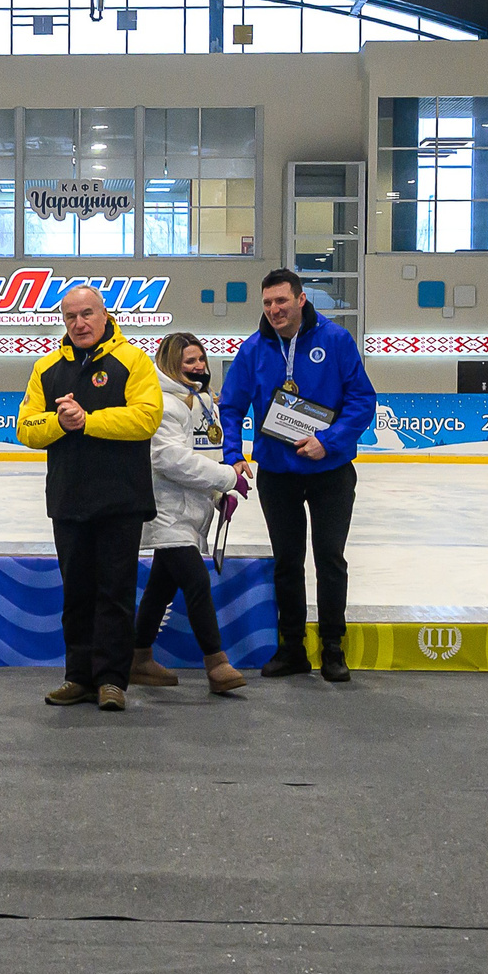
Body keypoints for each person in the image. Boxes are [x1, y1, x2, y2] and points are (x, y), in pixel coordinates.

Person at [219, 267, 379, 683]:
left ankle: (332, 648)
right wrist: (233, 454)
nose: (274, 309)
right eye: (268, 303)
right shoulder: (253, 350)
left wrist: (330, 440)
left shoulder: (336, 340)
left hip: (330, 471)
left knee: (330, 560)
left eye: (282, 301)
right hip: (277, 474)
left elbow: (363, 400)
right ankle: (292, 648)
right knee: (287, 563)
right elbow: (231, 407)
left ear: (301, 299)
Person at [18, 283, 162, 710]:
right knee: (76, 591)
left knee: (115, 592)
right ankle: (78, 676)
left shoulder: (132, 360)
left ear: (104, 314)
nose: (79, 324)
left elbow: (146, 418)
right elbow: (26, 429)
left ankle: (113, 680)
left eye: (86, 314)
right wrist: (60, 423)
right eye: (70, 317)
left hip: (121, 499)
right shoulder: (46, 369)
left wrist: (87, 420)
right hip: (69, 499)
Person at [131, 332, 249, 696]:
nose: (199, 368)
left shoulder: (199, 401)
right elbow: (170, 460)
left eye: (201, 360)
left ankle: (138, 658)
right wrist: (227, 478)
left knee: (160, 588)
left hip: (191, 512)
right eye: (189, 362)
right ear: (170, 364)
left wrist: (215, 495)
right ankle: (216, 663)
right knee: (195, 582)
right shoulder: (164, 405)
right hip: (167, 512)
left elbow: (204, 455)